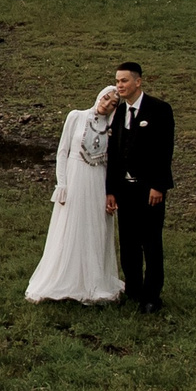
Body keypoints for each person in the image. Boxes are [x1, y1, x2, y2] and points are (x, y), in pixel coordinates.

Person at [27, 85, 123, 303]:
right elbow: (62, 152)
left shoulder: (111, 127)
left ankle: (93, 279)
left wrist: (111, 192)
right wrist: (61, 184)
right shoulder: (76, 117)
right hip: (76, 176)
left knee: (95, 226)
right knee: (71, 224)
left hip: (98, 180)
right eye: (106, 98)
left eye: (113, 103)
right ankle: (65, 277)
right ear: (99, 95)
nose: (106, 104)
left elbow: (112, 161)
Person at [104, 62, 175, 312]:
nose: (120, 86)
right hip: (125, 190)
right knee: (129, 243)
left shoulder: (159, 109)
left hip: (149, 190)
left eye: (124, 81)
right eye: (117, 81)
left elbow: (164, 150)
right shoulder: (118, 113)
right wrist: (110, 190)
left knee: (151, 243)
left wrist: (159, 185)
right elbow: (113, 154)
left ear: (138, 82)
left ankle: (152, 297)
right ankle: (133, 290)